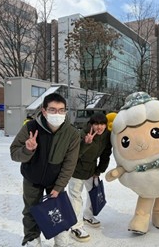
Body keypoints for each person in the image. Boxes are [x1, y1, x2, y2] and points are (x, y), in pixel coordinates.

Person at [10, 93, 80, 247]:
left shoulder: (72, 134)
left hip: (55, 179)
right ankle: (32, 239)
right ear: (44, 111)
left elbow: (70, 163)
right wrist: (28, 150)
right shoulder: (30, 127)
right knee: (30, 211)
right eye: (53, 110)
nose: (58, 114)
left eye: (62, 110)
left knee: (58, 210)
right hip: (32, 178)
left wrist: (59, 186)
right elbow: (14, 153)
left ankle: (61, 238)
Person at [68, 113, 112, 242]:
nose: (99, 127)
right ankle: (76, 227)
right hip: (76, 170)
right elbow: (73, 155)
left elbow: (105, 154)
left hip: (91, 169)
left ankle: (87, 216)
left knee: (93, 193)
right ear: (91, 124)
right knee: (76, 197)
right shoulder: (81, 134)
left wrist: (99, 170)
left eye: (102, 124)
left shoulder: (106, 136)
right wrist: (85, 143)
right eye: (96, 124)